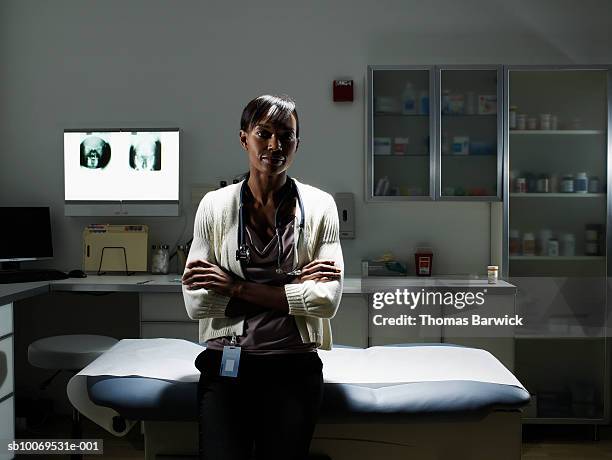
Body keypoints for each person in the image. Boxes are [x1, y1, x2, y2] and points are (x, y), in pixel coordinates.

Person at [182, 94, 344, 460]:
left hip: (294, 367)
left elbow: (326, 301)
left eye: (286, 135)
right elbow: (197, 302)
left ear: (297, 143)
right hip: (228, 366)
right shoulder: (215, 206)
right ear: (244, 139)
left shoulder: (320, 207)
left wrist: (235, 287)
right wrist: (292, 292)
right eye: (264, 133)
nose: (275, 145)